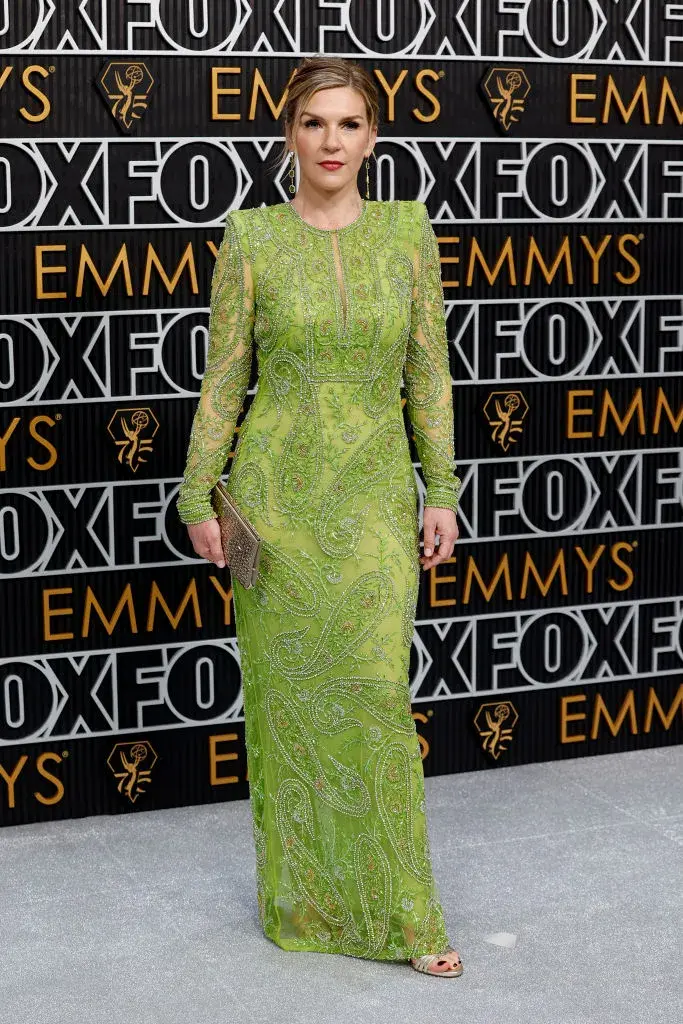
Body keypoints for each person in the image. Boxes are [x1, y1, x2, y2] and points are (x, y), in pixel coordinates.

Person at [177, 55, 463, 978]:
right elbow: (225, 377)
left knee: (378, 700)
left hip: (376, 501)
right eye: (313, 124)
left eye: (347, 124)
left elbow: (429, 374)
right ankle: (303, 904)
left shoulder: (407, 231)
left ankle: (404, 916)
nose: (331, 141)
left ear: (372, 136)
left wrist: (443, 489)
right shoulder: (252, 237)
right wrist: (195, 494)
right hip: (276, 507)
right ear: (289, 136)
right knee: (291, 710)